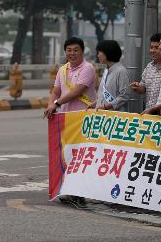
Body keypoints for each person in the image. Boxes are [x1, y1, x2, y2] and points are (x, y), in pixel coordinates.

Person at [44, 37, 96, 208]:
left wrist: (57, 103)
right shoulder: (63, 69)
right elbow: (56, 90)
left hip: (83, 119)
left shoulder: (88, 68)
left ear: (82, 51)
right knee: (68, 156)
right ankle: (70, 191)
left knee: (82, 157)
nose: (72, 53)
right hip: (66, 119)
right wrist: (51, 104)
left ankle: (80, 195)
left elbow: (77, 91)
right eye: (69, 50)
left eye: (75, 50)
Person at [88, 40, 130, 111]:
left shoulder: (121, 71)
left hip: (114, 117)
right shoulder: (106, 70)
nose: (97, 55)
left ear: (107, 53)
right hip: (103, 115)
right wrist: (96, 103)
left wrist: (105, 106)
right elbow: (104, 93)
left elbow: (124, 96)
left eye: (99, 52)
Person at [129, 33, 161, 109]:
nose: (153, 50)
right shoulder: (149, 66)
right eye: (151, 47)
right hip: (149, 112)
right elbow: (143, 88)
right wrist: (137, 87)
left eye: (156, 48)